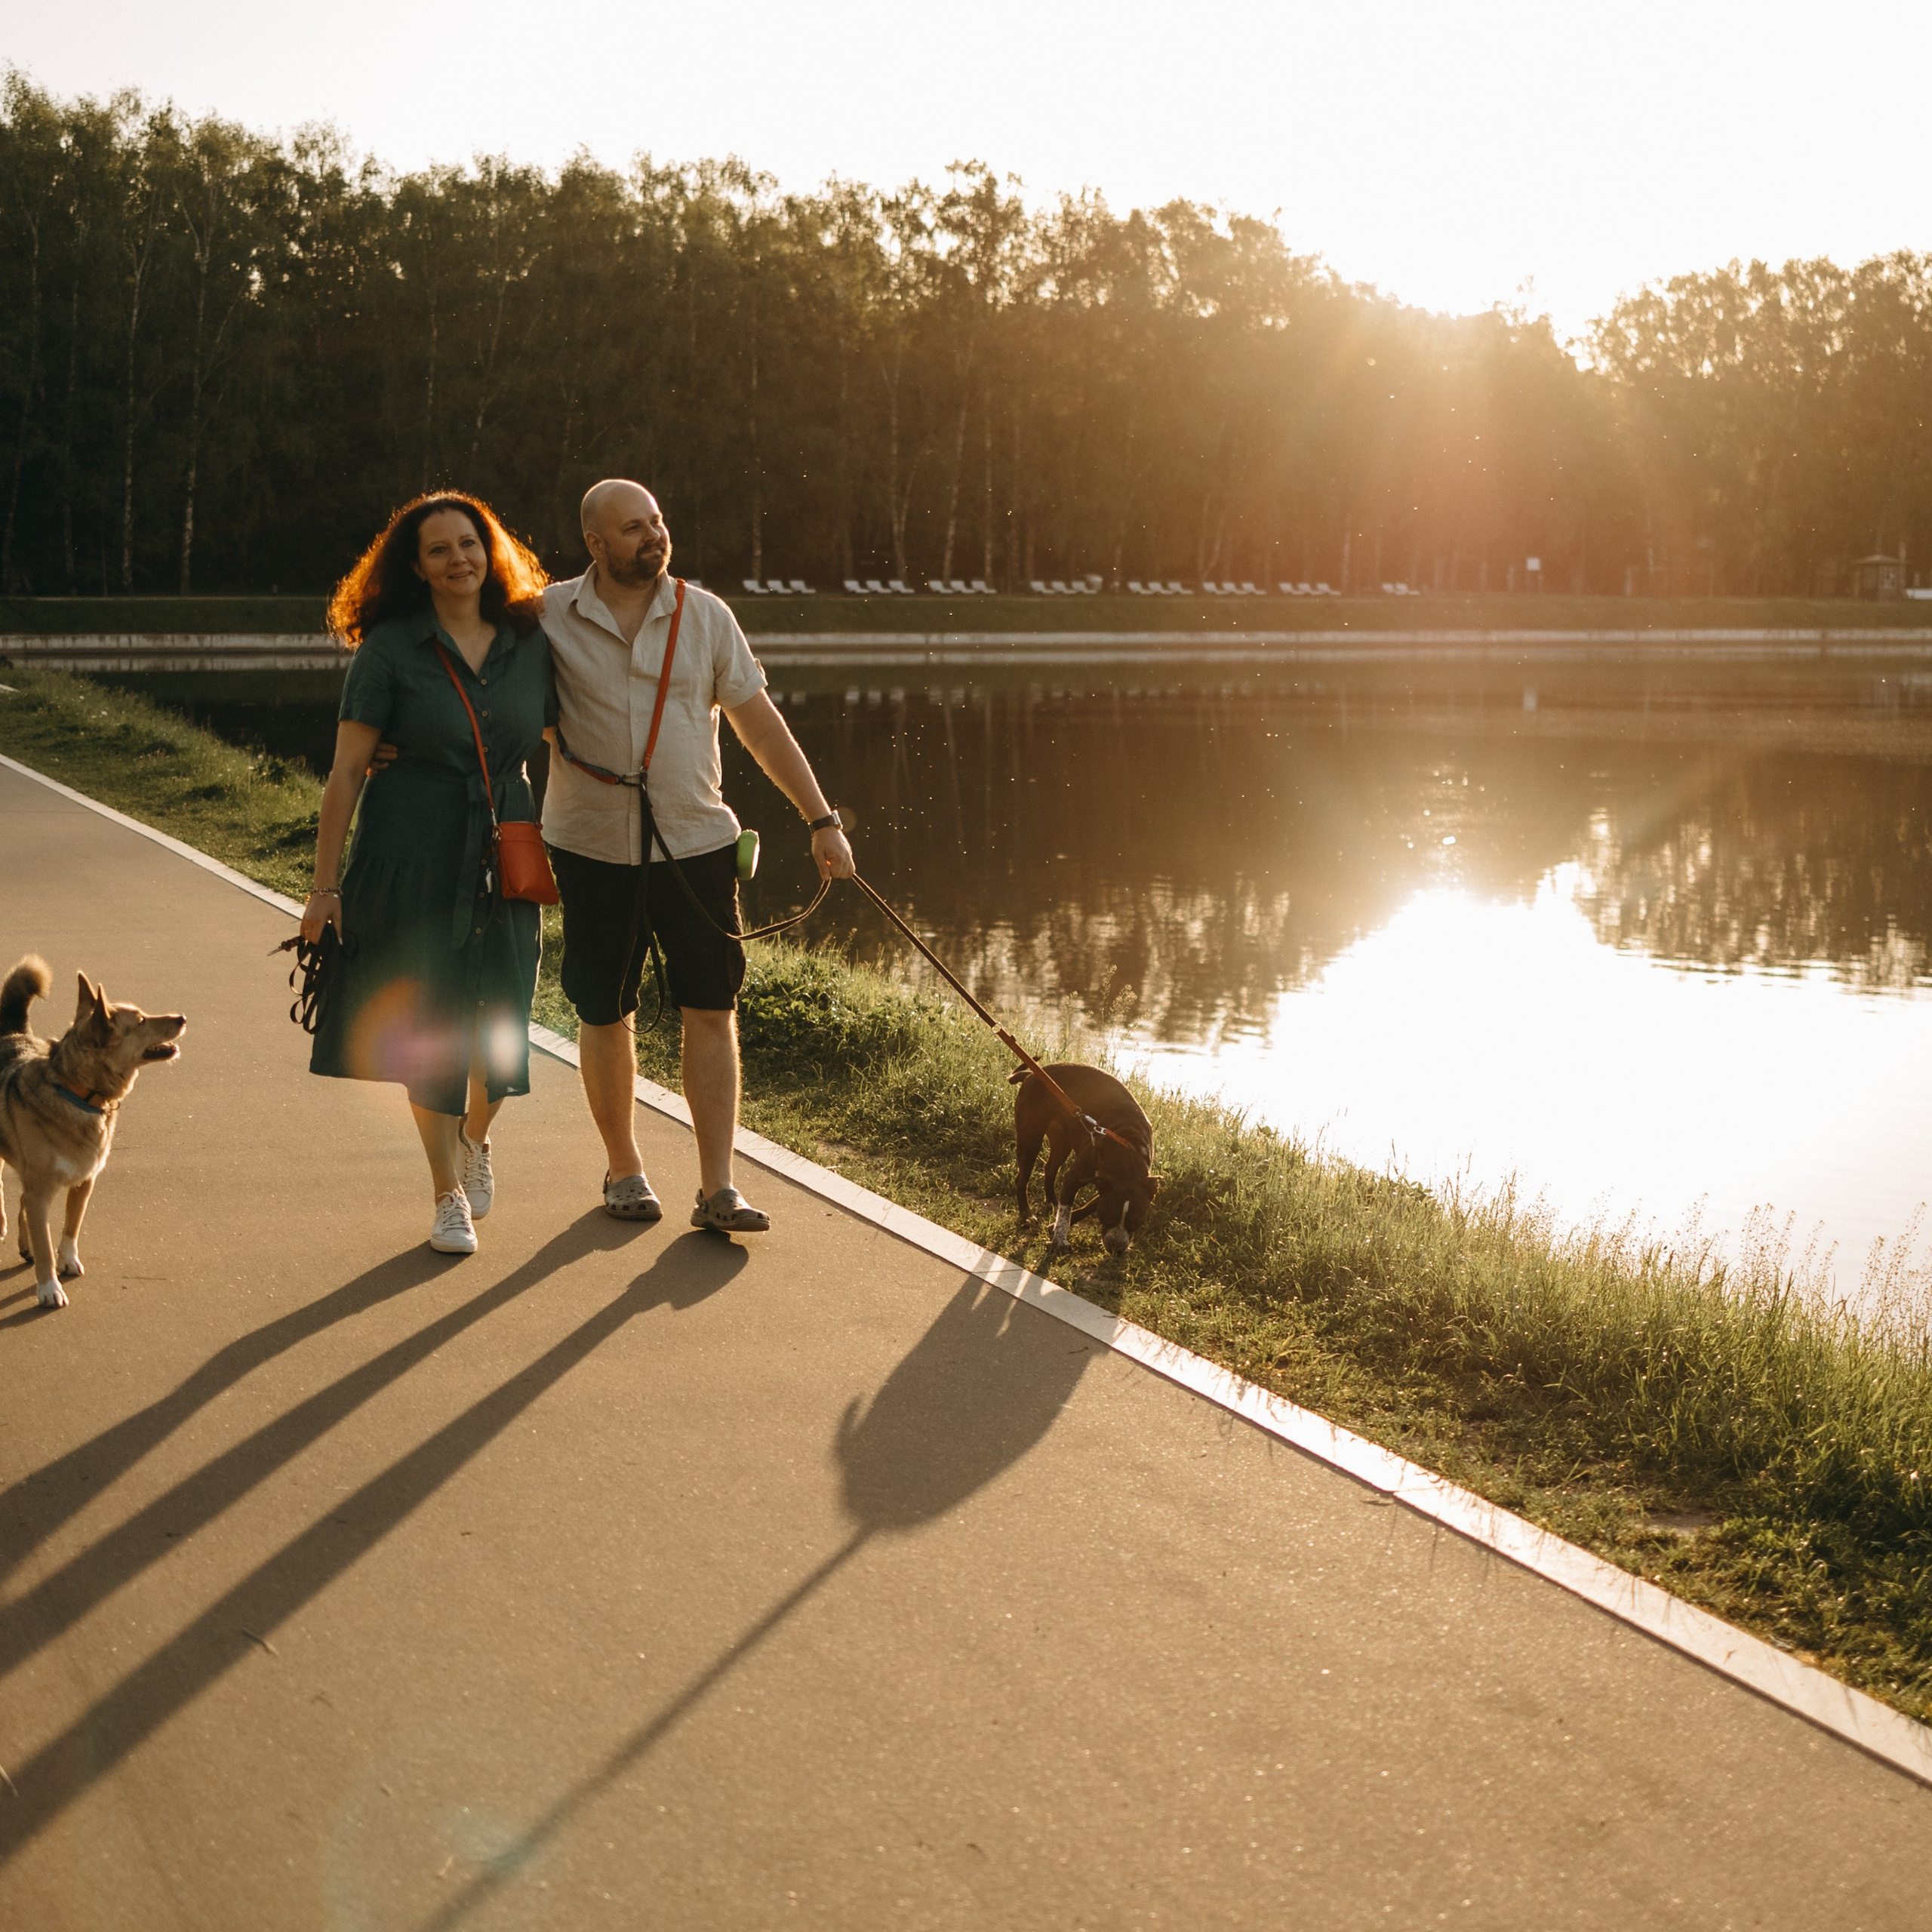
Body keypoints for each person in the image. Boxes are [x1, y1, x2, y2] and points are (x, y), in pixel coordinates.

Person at [542, 478, 854, 1230]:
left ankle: (718, 1188)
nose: (653, 536)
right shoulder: (547, 615)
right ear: (594, 542)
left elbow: (760, 725)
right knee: (603, 1010)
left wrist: (821, 819)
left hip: (696, 847)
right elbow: (488, 695)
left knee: (711, 1008)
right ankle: (624, 1170)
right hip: (590, 851)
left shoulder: (705, 614)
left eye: (657, 521)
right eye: (632, 528)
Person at [303, 491, 552, 1257]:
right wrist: (324, 887)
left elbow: (576, 729)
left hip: (504, 840)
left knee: (507, 1010)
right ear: (415, 565)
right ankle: (446, 1194)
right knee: (431, 1018)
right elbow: (347, 770)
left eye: (470, 543)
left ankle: (474, 1136)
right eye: (439, 549)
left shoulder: (530, 637)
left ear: (492, 549)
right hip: (410, 842)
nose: (459, 559)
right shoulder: (391, 648)